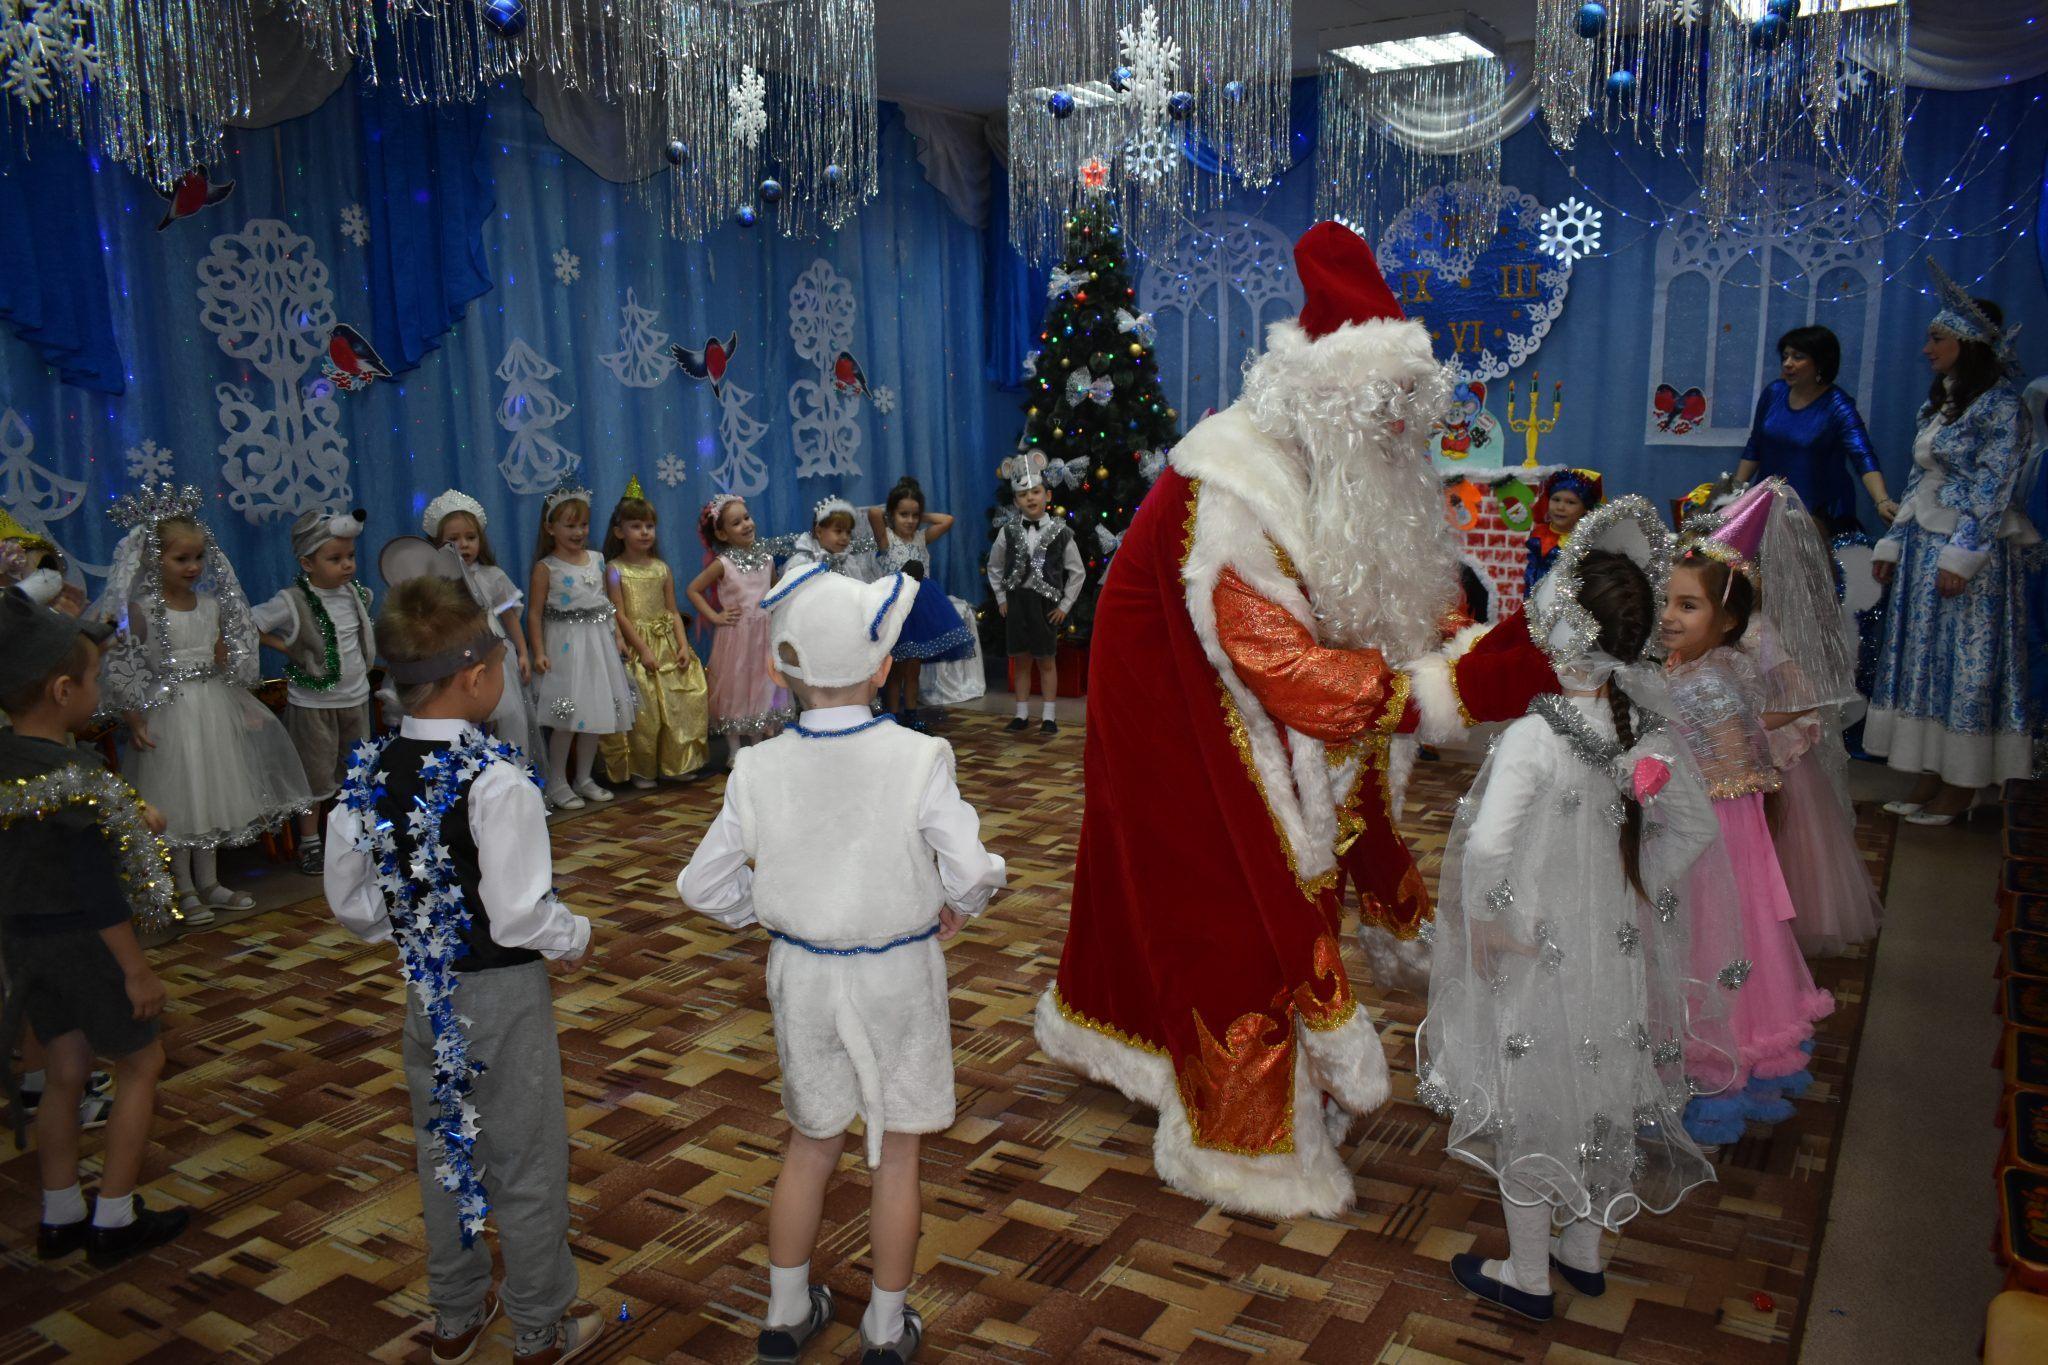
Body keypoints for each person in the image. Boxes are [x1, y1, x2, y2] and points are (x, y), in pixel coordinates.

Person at [1034, 221, 1563, 1217]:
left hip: (1244, 715)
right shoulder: (1234, 494)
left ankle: (1273, 1087)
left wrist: (1471, 651)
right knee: (1229, 907)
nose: (1407, 445)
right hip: (1189, 730)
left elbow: (1379, 604)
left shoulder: (1332, 469)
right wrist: (1463, 690)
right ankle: (1243, 1151)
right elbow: (1290, 672)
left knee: (1280, 885)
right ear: (1328, 403)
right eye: (1387, 423)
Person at [678, 565, 1005, 1365]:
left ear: (780, 670)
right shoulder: (920, 755)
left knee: (809, 1142)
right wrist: (958, 905)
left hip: (805, 979)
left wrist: (780, 913)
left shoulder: (757, 767)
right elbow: (972, 869)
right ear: (884, 666)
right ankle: (886, 1332)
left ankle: (786, 1314)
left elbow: (701, 883)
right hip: (898, 975)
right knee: (899, 1155)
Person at [1420, 500, 1735, 1322]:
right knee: (1598, 1086)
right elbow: (1694, 828)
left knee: (1535, 1099)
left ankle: (1527, 1276)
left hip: (1531, 945)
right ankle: (1584, 1250)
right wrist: (1636, 887)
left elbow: (1487, 846)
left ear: (1563, 632)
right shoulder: (1647, 732)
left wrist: (1487, 921)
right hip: (1611, 948)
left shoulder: (1534, 736)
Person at [325, 572, 601, 1365]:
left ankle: (454, 1310)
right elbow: (520, 912)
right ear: (479, 675)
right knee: (526, 1154)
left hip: (427, 991)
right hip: (505, 992)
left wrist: (410, 926)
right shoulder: (497, 777)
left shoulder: (368, 775)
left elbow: (355, 905)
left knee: (448, 1147)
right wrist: (576, 933)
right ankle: (541, 1325)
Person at [0, 591, 190, 1267]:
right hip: (87, 940)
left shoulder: (7, 761)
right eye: (92, 679)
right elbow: (96, 887)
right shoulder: (78, 777)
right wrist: (136, 967)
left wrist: (132, 815)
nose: (98, 689)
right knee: (142, 1062)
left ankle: (59, 1213)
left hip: (24, 944)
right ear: (61, 689)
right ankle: (113, 1216)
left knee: (63, 1070)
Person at [1660, 503, 1835, 1144]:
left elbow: (1710, 760)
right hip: (1727, 824)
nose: (1669, 617)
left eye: (1687, 607)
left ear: (1727, 619)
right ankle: (1747, 1060)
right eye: (1668, 602)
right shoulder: (1712, 666)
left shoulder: (1700, 681)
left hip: (1710, 836)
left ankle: (1714, 1069)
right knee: (1738, 943)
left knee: (1708, 942)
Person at [90, 484, 312, 923]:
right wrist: (133, 717)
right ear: (156, 559)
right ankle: (184, 887)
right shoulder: (142, 609)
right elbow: (123, 664)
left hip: (211, 707)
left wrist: (235, 685)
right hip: (168, 713)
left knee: (211, 794)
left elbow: (219, 657)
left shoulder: (210, 605)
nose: (192, 567)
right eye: (181, 558)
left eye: (197, 558)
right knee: (179, 797)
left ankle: (210, 882)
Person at [1868, 266, 2037, 823]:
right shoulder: (1940, 405)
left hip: (1971, 551)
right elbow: (1921, 481)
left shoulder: (2003, 408)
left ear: (1966, 344)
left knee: (1965, 663)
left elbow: (1993, 488)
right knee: (1925, 662)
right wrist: (1894, 543)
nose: (1926, 349)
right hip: (1923, 544)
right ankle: (1932, 772)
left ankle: (1964, 783)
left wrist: (1963, 556)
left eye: (1936, 339)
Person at [1725, 481, 1883, 957]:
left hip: (1772, 758)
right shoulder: (1732, 635)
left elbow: (1801, 696)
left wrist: (1753, 725)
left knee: (1781, 845)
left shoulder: (1759, 635)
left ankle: (1773, 929)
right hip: (1737, 752)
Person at [251, 508, 376, 876]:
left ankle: (356, 837)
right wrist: (285, 645)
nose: (347, 565)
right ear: (308, 562)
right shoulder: (293, 600)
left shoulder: (354, 594)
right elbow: (251, 622)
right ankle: (310, 844)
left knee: (356, 772)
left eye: (350, 557)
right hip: (313, 704)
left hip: (355, 699)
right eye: (335, 559)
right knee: (314, 777)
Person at [528, 480, 635, 811]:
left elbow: (607, 604)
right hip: (565, 652)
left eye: (583, 525)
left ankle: (584, 778)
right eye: (570, 525)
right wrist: (539, 651)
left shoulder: (598, 559)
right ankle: (558, 780)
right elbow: (533, 614)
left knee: (596, 715)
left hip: (598, 647)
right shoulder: (546, 568)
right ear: (551, 527)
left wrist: (617, 636)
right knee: (567, 718)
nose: (578, 532)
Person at [1735, 325, 1896, 536]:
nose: (1787, 364)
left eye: (1798, 357)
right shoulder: (1774, 393)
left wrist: (1882, 500)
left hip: (1817, 512)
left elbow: (1863, 455)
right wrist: (1735, 490)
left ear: (1820, 362)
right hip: (1770, 503)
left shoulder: (1838, 405)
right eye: (1785, 356)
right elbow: (1755, 445)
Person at [599, 478, 709, 787]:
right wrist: (642, 650)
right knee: (645, 708)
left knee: (678, 705)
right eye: (636, 526)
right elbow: (618, 612)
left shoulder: (661, 568)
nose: (645, 532)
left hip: (667, 643)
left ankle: (677, 763)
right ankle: (642, 768)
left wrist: (683, 646)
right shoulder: (615, 569)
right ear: (620, 532)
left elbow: (673, 610)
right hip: (638, 643)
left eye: (649, 525)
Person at [427, 488, 543, 766]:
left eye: (471, 537)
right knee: (464, 716)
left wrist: (524, 653)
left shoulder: (493, 577)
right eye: (453, 539)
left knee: (501, 717)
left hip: (494, 656)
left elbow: (510, 618)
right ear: (437, 543)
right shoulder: (436, 580)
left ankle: (506, 770)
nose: (464, 545)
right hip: (453, 657)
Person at [987, 454, 1084, 735]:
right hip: (1017, 604)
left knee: (1047, 660)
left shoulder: (1061, 532)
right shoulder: (1008, 532)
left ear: (1047, 495)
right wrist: (1002, 599)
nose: (1030, 498)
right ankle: (1021, 714)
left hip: (1045, 606)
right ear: (1016, 501)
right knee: (1021, 661)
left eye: (1036, 492)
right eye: (1023, 494)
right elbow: (994, 566)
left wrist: (1065, 605)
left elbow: (1077, 571)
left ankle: (1049, 716)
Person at [688, 494, 792, 756]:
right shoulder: (723, 564)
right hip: (736, 638)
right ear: (722, 535)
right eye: (736, 523)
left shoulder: (767, 559)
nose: (746, 525)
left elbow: (774, 589)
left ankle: (757, 745)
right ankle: (735, 751)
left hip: (764, 635)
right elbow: (693, 590)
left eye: (747, 517)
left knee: (762, 686)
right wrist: (715, 617)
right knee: (736, 689)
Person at [869, 477, 972, 731]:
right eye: (904, 514)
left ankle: (911, 714)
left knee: (913, 669)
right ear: (892, 514)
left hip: (922, 608)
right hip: (896, 610)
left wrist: (920, 515)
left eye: (914, 515)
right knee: (895, 669)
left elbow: (948, 520)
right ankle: (892, 717)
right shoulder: (886, 540)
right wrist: (894, 511)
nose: (910, 520)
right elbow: (873, 513)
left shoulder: (921, 538)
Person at [1523, 467, 1603, 593]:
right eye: (1556, 500)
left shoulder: (1587, 541)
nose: (1560, 507)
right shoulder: (1540, 535)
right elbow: (1532, 572)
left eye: (1570, 502)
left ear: (1585, 509)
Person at [786, 494, 877, 581]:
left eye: (848, 532)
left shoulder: (848, 562)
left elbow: (858, 588)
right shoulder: (803, 562)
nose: (845, 537)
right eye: (838, 531)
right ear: (819, 532)